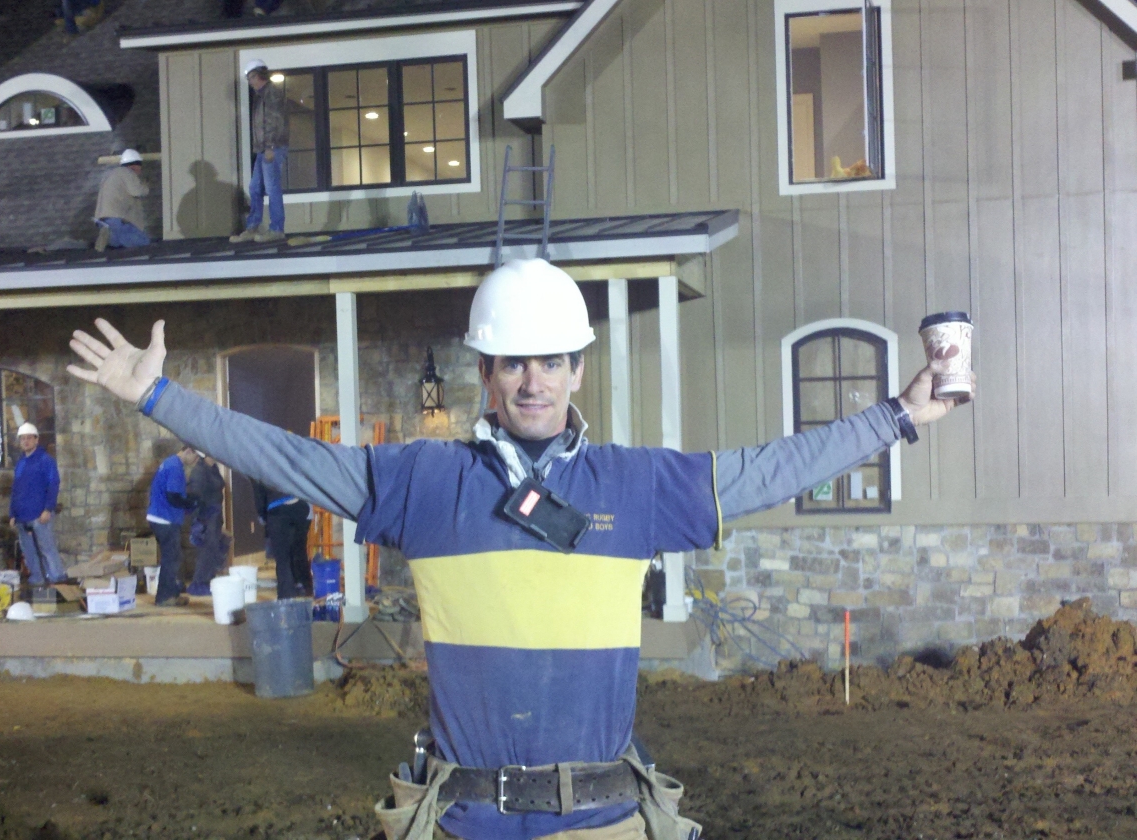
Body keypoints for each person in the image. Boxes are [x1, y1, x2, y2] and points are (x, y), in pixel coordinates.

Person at [68, 258, 973, 840]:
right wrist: (162, 399)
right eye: (513, 364)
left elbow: (775, 468)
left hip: (609, 820)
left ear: (579, 367)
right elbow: (291, 458)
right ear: (486, 376)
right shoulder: (425, 482)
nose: (533, 380)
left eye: (550, 360)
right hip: (465, 821)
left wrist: (897, 416)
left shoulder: (636, 484)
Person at [229, 59, 287, 245]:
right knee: (255, 187)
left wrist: (270, 146)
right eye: (248, 78)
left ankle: (277, 229)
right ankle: (253, 226)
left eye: (252, 76)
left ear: (261, 74)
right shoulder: (261, 95)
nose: (250, 81)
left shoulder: (271, 94)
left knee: (271, 188)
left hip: (272, 148)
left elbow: (274, 121)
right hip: (264, 149)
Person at [9, 423, 67, 587]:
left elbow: (53, 484)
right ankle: (37, 579)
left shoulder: (46, 461)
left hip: (39, 514)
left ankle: (57, 579)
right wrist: (12, 514)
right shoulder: (21, 463)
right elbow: (16, 489)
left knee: (46, 548)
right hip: (22, 516)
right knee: (29, 552)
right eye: (22, 439)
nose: (25, 441)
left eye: (29, 438)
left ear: (36, 440)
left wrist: (48, 509)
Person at [146, 445, 200, 606]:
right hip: (165, 518)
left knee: (173, 556)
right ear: (188, 451)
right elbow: (173, 497)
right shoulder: (175, 467)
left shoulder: (170, 463)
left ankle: (172, 594)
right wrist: (192, 502)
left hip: (160, 516)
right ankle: (164, 597)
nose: (196, 461)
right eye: (196, 457)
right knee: (171, 558)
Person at [251, 479, 312, 599]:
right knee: (299, 550)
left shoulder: (260, 463)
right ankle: (305, 587)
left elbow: (259, 492)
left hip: (277, 508)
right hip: (301, 505)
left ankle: (287, 595)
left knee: (282, 557)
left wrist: (262, 515)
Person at [185, 453, 230, 596]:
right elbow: (195, 495)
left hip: (215, 514)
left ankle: (208, 579)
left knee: (214, 548)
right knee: (207, 550)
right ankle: (199, 583)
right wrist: (199, 521)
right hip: (206, 516)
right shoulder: (199, 471)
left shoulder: (213, 468)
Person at [94, 149, 151, 251]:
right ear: (134, 165)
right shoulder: (127, 172)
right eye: (140, 166)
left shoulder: (110, 175)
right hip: (117, 219)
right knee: (143, 242)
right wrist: (145, 186)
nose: (140, 170)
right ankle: (109, 235)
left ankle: (108, 237)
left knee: (118, 246)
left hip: (103, 220)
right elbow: (137, 191)